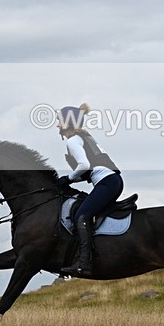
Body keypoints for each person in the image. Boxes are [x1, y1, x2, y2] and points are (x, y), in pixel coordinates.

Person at [56, 103, 123, 278]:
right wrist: (71, 179)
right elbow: (90, 169)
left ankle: (83, 264)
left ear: (68, 123)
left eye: (59, 122)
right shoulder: (85, 137)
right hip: (111, 180)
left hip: (107, 182)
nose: (57, 125)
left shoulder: (73, 140)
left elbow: (84, 165)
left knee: (81, 216)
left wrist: (68, 178)